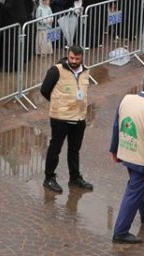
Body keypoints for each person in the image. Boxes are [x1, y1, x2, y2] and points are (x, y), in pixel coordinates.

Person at [109, 73, 144, 245]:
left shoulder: (126, 99)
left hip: (126, 151)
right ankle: (121, 231)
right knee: (133, 192)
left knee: (135, 186)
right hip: (141, 159)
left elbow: (117, 125)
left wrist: (114, 149)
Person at [38, 45, 93, 194]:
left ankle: (75, 177)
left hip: (79, 118)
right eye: (71, 58)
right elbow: (44, 90)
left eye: (77, 58)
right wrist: (58, 103)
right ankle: (49, 177)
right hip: (60, 118)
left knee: (74, 150)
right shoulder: (56, 70)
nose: (74, 61)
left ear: (82, 58)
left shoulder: (86, 71)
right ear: (67, 56)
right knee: (55, 148)